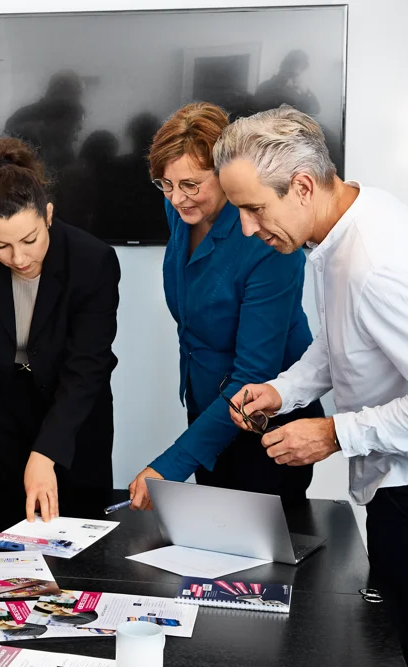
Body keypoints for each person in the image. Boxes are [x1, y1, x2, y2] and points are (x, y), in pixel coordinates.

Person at [215, 106, 408, 667]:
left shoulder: (375, 264)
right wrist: (282, 391)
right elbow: (344, 342)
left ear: (303, 186)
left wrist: (336, 433)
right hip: (394, 483)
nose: (248, 228)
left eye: (254, 208)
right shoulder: (344, 225)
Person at [127, 102, 322, 510]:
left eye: (190, 184)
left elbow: (253, 374)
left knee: (263, 547)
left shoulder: (266, 238)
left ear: (225, 173)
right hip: (208, 416)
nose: (177, 198)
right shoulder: (182, 209)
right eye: (165, 184)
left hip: (266, 423)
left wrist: (170, 465)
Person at [0, 136, 120, 523]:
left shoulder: (92, 260)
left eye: (30, 240)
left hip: (71, 421)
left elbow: (88, 365)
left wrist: (47, 453)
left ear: (48, 215)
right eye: (1, 245)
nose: (18, 258)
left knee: (76, 535)